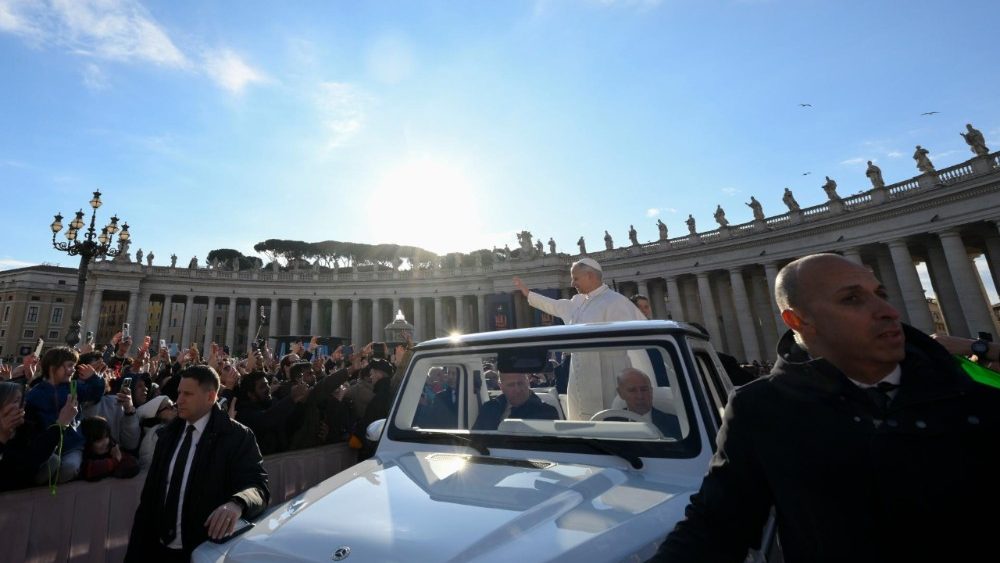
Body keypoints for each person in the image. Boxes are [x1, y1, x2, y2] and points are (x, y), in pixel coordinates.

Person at [653, 253, 1000, 563]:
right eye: (852, 299)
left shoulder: (975, 394)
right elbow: (717, 527)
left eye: (881, 294)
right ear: (797, 321)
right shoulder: (761, 409)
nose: (889, 312)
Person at [126, 365, 269, 562]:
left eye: (188, 394)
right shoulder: (167, 435)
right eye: (179, 393)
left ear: (210, 397)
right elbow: (149, 500)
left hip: (204, 551)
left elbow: (258, 486)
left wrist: (237, 503)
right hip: (158, 551)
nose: (179, 400)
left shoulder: (237, 437)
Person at [513, 258, 646, 419]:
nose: (572, 283)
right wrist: (528, 293)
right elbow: (555, 306)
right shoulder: (579, 302)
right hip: (579, 375)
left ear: (590, 275)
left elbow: (637, 344)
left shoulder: (616, 301)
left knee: (612, 422)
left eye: (575, 278)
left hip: (609, 375)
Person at [606, 368, 680, 438]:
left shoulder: (674, 424)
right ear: (621, 394)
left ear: (651, 391)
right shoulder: (610, 424)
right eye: (632, 390)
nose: (640, 396)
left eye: (644, 389)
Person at [472, 372, 559, 430]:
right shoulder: (489, 408)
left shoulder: (546, 412)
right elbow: (474, 440)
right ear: (501, 387)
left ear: (528, 382)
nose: (517, 389)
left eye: (520, 383)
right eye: (511, 385)